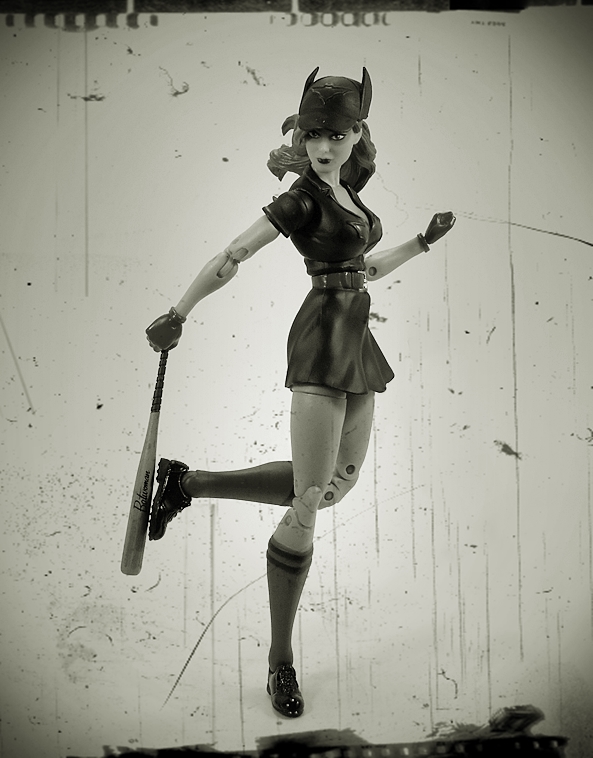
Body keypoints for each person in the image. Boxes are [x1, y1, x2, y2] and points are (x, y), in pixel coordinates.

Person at [145, 67, 455, 719]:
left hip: (358, 340)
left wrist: (422, 243)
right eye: (312, 133)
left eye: (335, 134)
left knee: (335, 485)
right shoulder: (302, 199)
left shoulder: (348, 193)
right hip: (320, 339)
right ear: (300, 133)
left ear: (356, 134)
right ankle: (279, 660)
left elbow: (363, 268)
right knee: (309, 499)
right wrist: (180, 310)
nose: (321, 145)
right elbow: (234, 252)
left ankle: (185, 483)